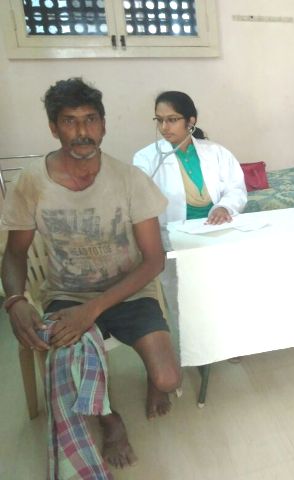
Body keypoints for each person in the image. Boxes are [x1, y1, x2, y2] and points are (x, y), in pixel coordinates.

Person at [0, 78, 181, 470]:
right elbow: (14, 254)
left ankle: (154, 379)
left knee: (168, 379)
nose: (82, 131)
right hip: (67, 295)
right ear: (54, 128)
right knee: (70, 376)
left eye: (90, 119)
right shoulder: (31, 182)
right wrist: (15, 300)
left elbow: (153, 260)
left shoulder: (129, 179)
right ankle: (110, 420)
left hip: (129, 289)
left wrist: (94, 309)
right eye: (70, 121)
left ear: (103, 125)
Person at [133, 91, 247, 225]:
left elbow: (236, 189)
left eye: (172, 120)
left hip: (217, 226)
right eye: (159, 120)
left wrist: (224, 208)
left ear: (190, 121)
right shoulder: (145, 158)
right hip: (173, 231)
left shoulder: (217, 152)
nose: (164, 127)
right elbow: (139, 202)